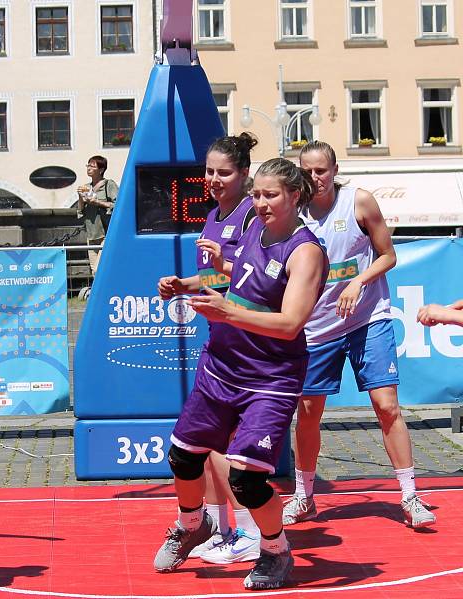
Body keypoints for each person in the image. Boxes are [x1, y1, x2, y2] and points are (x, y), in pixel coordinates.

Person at [154, 158, 328, 591]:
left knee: (247, 480)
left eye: (271, 195)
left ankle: (275, 551)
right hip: (223, 364)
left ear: (294, 196)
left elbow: (290, 322)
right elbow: (243, 275)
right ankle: (192, 524)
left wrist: (229, 310)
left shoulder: (306, 251)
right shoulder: (255, 228)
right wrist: (192, 284)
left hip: (269, 377)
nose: (261, 202)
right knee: (183, 455)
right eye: (257, 194)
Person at [283, 141, 436, 530]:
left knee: (386, 405)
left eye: (322, 170)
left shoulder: (359, 202)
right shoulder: (294, 212)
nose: (315, 178)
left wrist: (359, 282)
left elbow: (388, 255)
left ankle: (410, 495)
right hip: (317, 326)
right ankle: (304, 496)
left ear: (335, 170)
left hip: (367, 318)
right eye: (308, 170)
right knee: (308, 412)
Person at [157, 133, 261, 566]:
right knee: (207, 440)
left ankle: (253, 534)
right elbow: (217, 277)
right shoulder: (215, 215)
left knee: (236, 445)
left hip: (252, 343)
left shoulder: (255, 215)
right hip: (221, 342)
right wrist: (185, 283)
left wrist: (221, 268)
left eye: (224, 172)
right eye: (209, 171)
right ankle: (220, 527)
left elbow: (262, 275)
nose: (214, 179)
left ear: (244, 174)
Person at [77, 155, 118, 276]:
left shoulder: (108, 185)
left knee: (98, 269)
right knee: (94, 271)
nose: (89, 168)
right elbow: (80, 211)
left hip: (106, 233)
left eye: (92, 166)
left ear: (101, 170)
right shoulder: (86, 187)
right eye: (88, 165)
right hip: (92, 234)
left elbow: (118, 205)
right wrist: (80, 197)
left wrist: (97, 202)